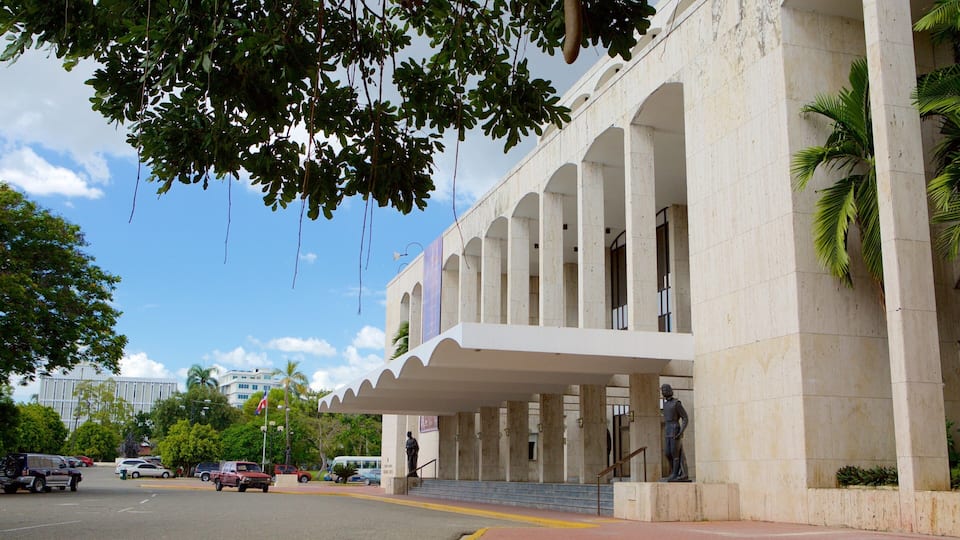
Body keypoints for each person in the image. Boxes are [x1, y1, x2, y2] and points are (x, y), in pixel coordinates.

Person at [660, 383, 690, 482]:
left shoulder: (677, 403)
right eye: (662, 390)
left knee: (674, 453)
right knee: (667, 453)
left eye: (665, 389)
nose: (663, 391)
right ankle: (674, 471)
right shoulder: (665, 404)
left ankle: (675, 474)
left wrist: (681, 431)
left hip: (674, 429)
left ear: (670, 390)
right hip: (667, 429)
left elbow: (685, 418)